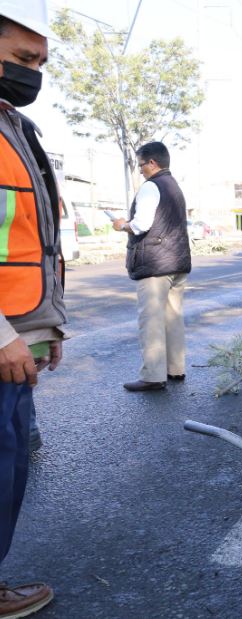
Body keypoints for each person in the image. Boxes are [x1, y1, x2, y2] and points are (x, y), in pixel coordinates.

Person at [0, 3, 59, 614]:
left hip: (19, 331)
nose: (32, 74)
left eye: (39, 63)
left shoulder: (14, 126)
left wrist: (47, 323)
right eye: (21, 60)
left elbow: (31, 237)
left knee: (12, 455)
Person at [112, 142, 191, 392]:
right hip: (177, 262)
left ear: (153, 163)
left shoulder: (151, 186)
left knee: (152, 320)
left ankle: (153, 376)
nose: (141, 170)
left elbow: (141, 224)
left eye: (141, 165)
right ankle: (175, 369)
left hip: (156, 264)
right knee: (173, 317)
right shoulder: (174, 186)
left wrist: (122, 224)